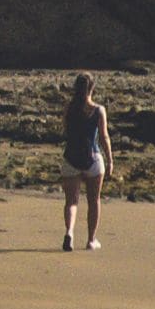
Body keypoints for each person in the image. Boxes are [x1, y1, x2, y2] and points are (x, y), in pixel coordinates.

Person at [59, 73, 110, 252]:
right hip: (93, 158)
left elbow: (66, 129)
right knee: (94, 201)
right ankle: (91, 240)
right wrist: (110, 160)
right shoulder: (98, 110)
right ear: (92, 88)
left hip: (71, 157)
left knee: (71, 201)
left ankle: (69, 232)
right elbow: (103, 137)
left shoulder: (69, 108)